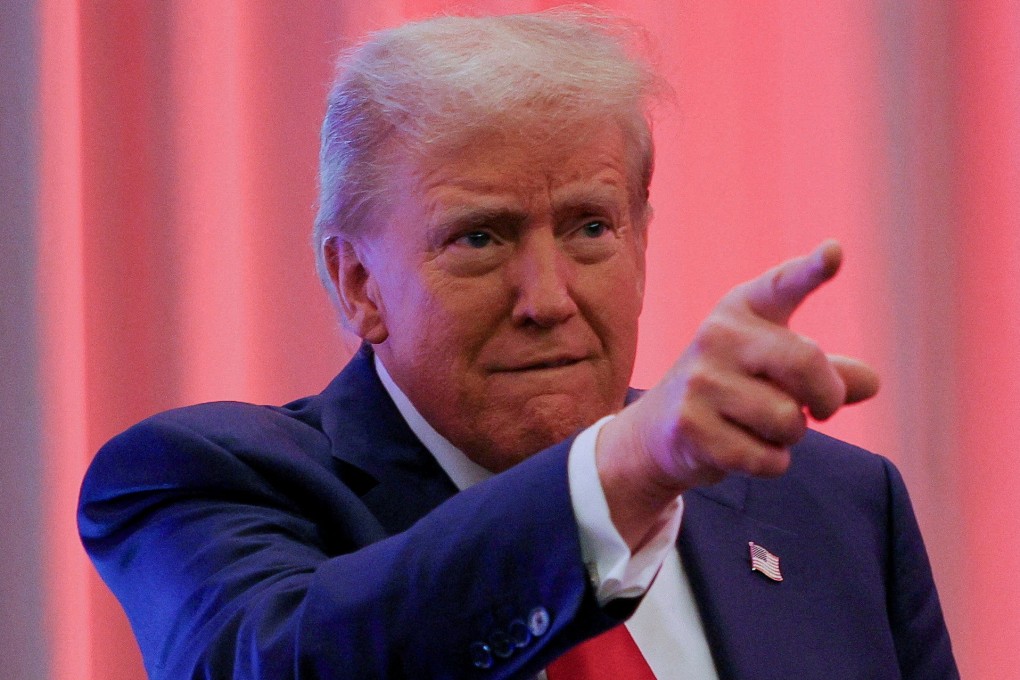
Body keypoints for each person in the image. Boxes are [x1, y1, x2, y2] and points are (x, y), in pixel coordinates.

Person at [78, 8, 957, 680]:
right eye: (480, 238)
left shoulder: (835, 506)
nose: (548, 299)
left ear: (642, 240)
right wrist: (619, 477)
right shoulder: (199, 480)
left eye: (590, 227)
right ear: (358, 283)